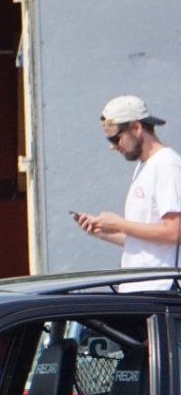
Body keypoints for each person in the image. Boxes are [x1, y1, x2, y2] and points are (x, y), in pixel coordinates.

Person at [75, 95, 181, 283]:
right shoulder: (145, 166)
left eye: (115, 139)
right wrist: (101, 231)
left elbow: (174, 232)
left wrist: (120, 224)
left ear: (136, 128)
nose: (112, 146)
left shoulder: (167, 165)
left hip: (159, 288)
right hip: (141, 286)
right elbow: (143, 242)